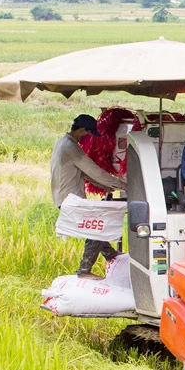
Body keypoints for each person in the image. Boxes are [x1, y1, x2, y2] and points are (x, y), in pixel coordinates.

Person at [50, 114, 126, 279]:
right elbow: (93, 171)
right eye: (89, 134)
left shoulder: (62, 143)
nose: (89, 138)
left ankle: (110, 254)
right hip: (70, 199)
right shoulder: (71, 147)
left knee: (94, 226)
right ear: (82, 130)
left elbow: (83, 173)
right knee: (96, 227)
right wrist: (121, 185)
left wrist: (106, 185)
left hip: (64, 197)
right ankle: (84, 271)